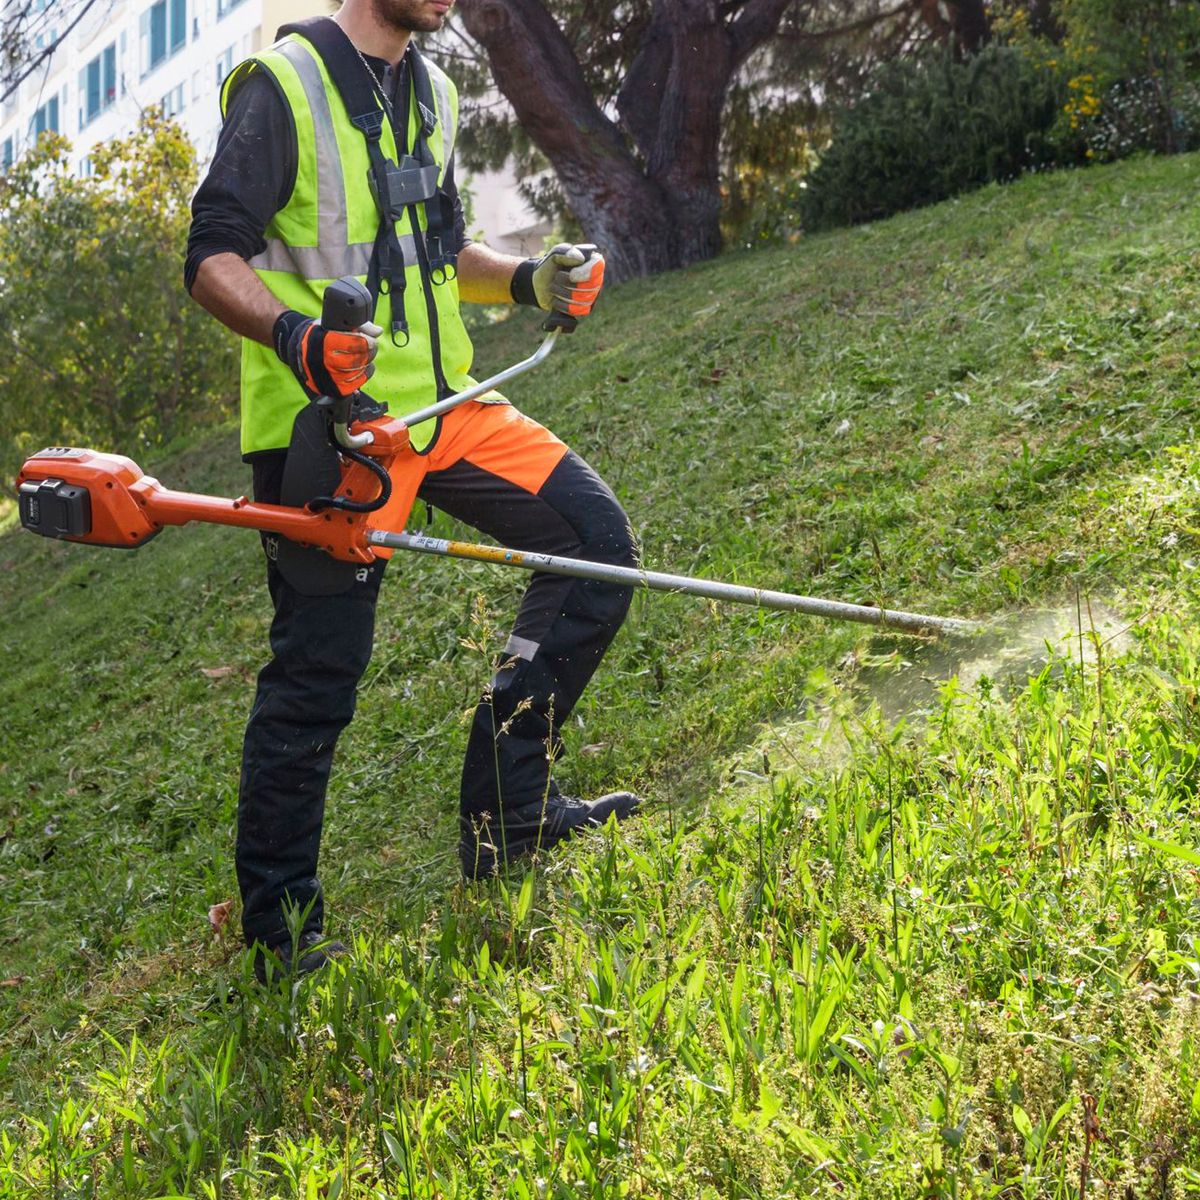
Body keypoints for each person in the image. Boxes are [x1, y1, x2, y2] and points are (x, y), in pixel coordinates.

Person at [185, 0, 640, 980]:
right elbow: (210, 256)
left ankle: (508, 822)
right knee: (317, 677)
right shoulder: (285, 86)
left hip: (446, 408)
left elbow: (436, 258)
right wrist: (300, 343)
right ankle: (282, 934)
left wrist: (528, 285)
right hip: (335, 432)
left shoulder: (429, 91)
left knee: (594, 547)